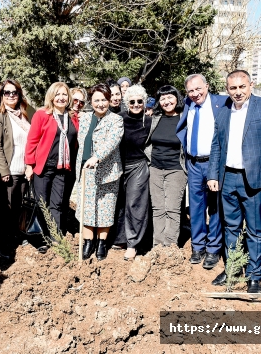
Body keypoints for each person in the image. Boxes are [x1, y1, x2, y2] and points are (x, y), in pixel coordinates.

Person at [207, 70, 261, 293]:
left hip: (255, 179)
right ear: (227, 88)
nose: (237, 92)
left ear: (251, 85)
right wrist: (212, 174)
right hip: (228, 178)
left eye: (242, 87)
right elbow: (216, 145)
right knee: (230, 227)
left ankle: (254, 275)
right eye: (233, 88)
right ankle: (233, 268)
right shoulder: (223, 112)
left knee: (256, 229)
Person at [176, 74, 226, 269]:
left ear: (207, 86)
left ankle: (213, 248)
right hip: (194, 163)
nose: (196, 94)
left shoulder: (221, 102)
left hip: (213, 163)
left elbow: (245, 99)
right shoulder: (188, 105)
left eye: (199, 89)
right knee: (195, 208)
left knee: (214, 207)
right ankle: (198, 245)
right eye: (191, 91)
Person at [25, 82, 79, 252]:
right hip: (44, 166)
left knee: (57, 204)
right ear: (51, 97)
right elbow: (32, 141)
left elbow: (77, 140)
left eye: (64, 94)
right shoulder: (42, 114)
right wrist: (29, 165)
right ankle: (41, 238)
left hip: (63, 168)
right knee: (42, 203)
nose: (61, 98)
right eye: (58, 94)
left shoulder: (73, 117)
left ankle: (56, 237)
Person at [76, 83, 124, 261]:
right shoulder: (85, 118)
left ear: (109, 100)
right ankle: (88, 242)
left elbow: (111, 142)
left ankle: (102, 243)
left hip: (107, 173)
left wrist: (97, 157)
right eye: (96, 100)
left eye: (104, 100)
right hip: (85, 172)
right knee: (87, 209)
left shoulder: (116, 120)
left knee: (104, 209)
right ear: (91, 101)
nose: (101, 103)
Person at [0, 79, 32, 259]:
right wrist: (4, 171)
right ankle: (3, 242)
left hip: (23, 170)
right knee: (5, 206)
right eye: (7, 92)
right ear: (1, 96)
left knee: (17, 205)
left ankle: (14, 235)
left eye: (14, 92)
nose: (11, 95)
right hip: (8, 170)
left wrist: (30, 166)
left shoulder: (23, 115)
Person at [147, 85, 187, 248]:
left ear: (177, 98)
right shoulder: (155, 118)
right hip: (155, 168)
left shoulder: (185, 118)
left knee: (172, 208)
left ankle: (169, 245)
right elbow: (148, 139)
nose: (166, 101)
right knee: (158, 208)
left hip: (176, 170)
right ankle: (157, 245)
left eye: (170, 97)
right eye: (162, 98)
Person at [117, 84, 151, 260]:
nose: (136, 104)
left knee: (134, 204)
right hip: (119, 166)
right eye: (132, 101)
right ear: (126, 102)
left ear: (144, 102)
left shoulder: (149, 121)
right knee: (120, 203)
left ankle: (133, 243)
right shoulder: (118, 118)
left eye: (140, 101)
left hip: (138, 166)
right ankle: (120, 238)